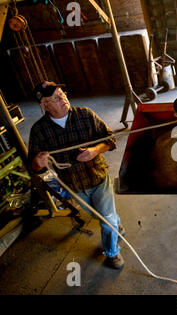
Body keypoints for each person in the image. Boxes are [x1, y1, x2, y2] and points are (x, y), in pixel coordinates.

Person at [28, 81, 125, 270]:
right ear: (44, 105)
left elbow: (110, 139)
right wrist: (37, 163)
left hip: (97, 177)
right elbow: (35, 167)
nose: (62, 98)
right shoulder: (39, 131)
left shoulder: (85, 115)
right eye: (54, 98)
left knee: (105, 219)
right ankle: (116, 223)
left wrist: (95, 151)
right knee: (103, 216)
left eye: (61, 93)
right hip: (72, 185)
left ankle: (111, 252)